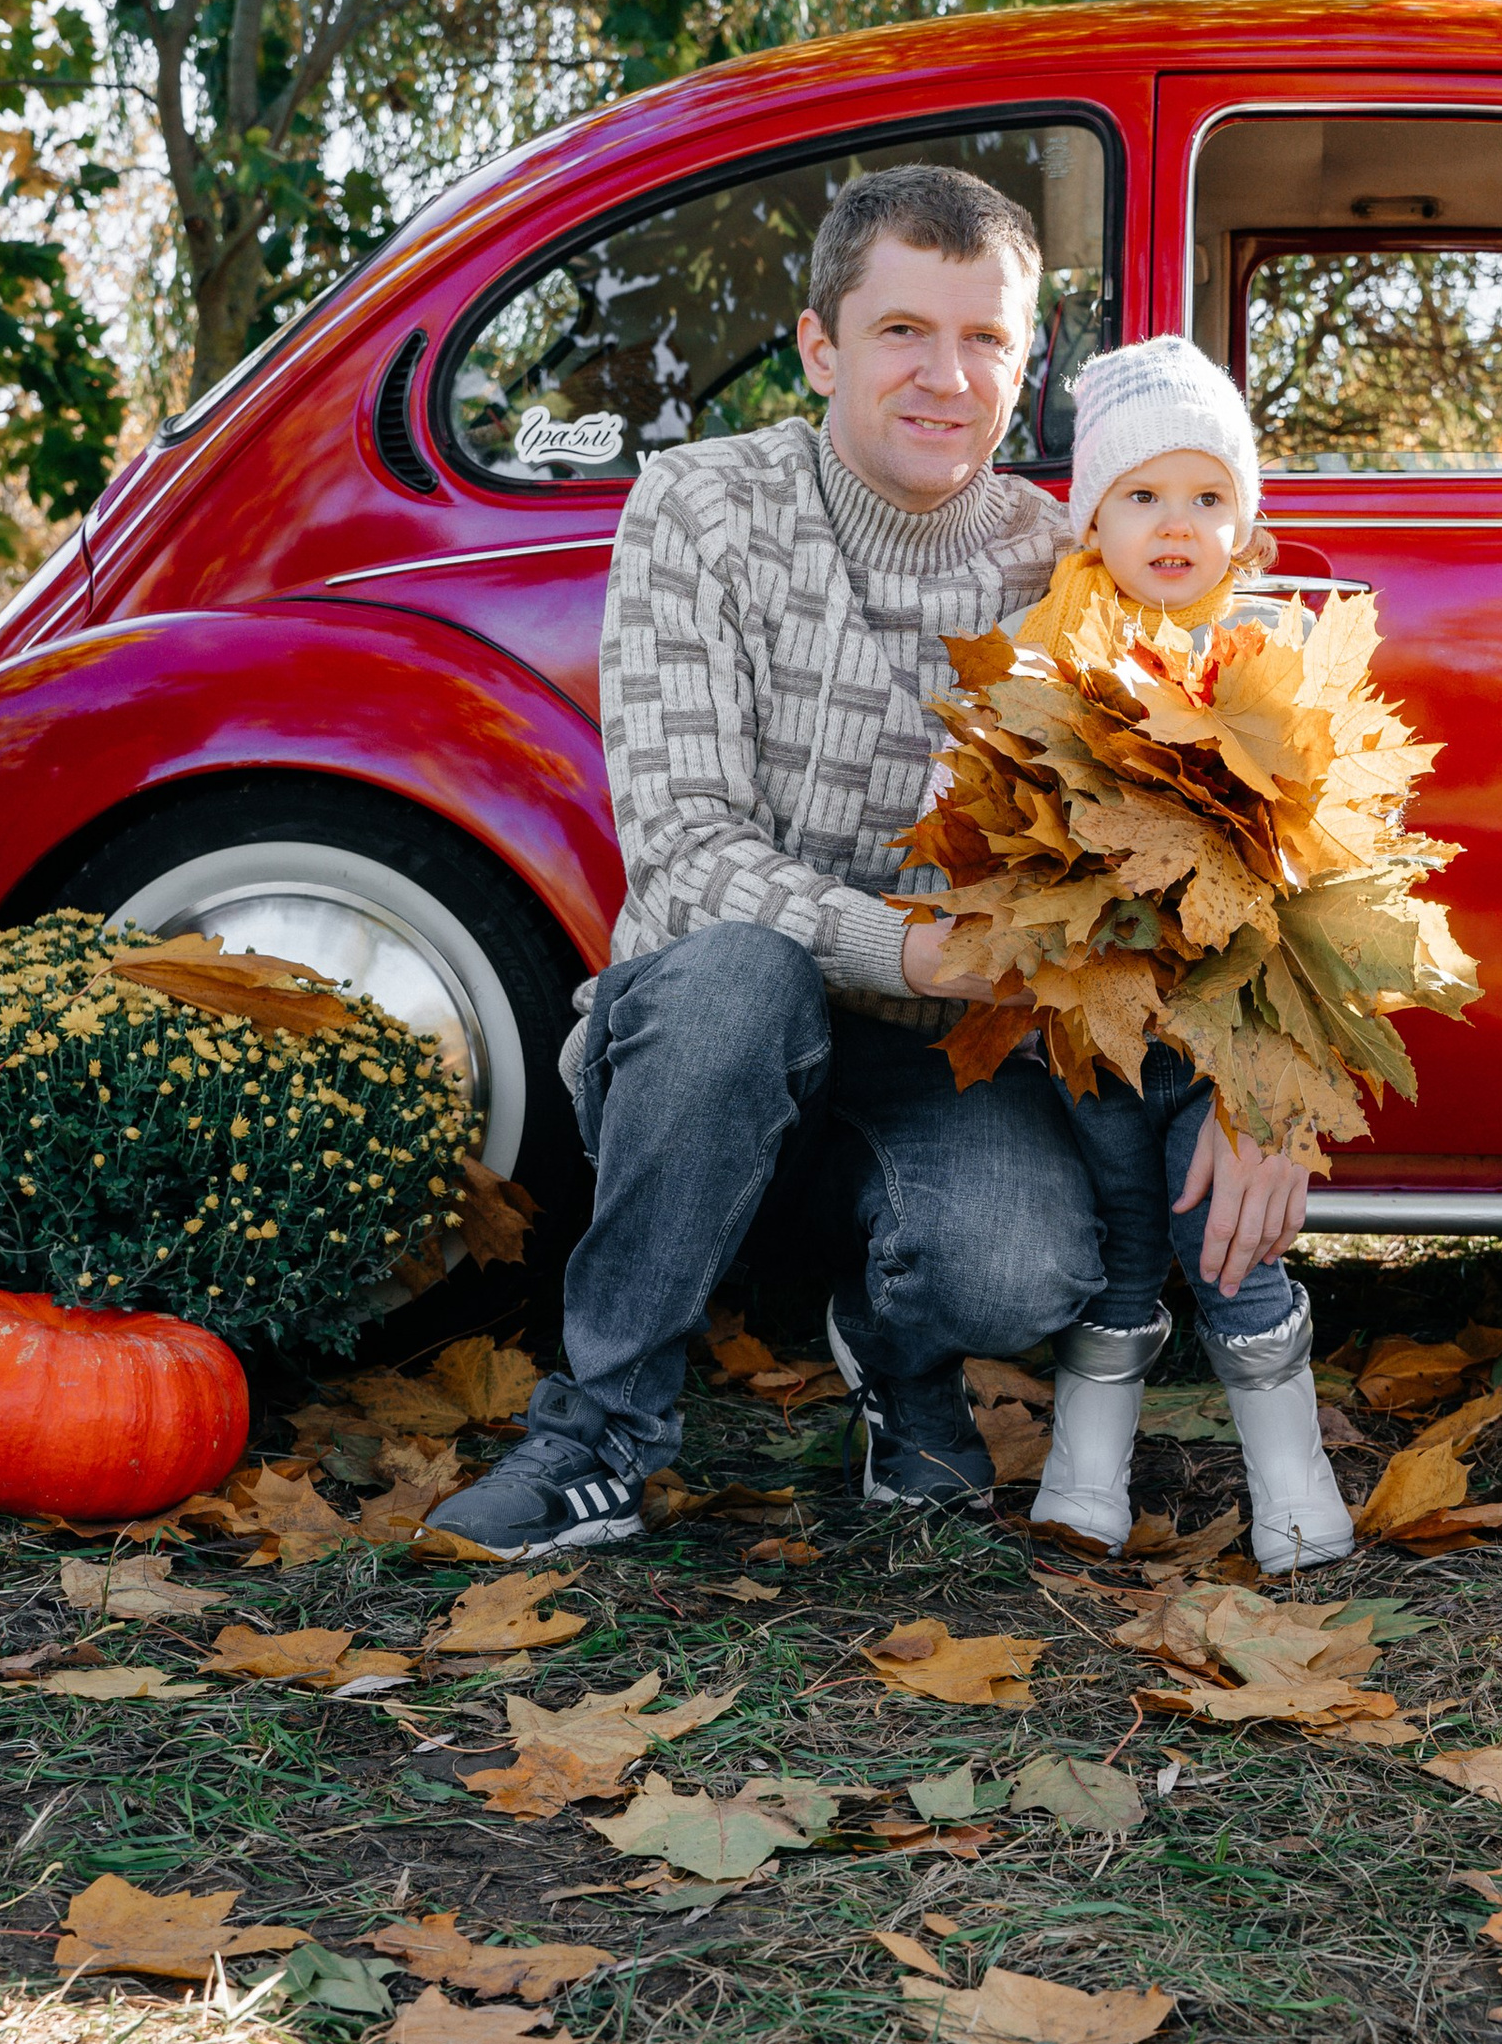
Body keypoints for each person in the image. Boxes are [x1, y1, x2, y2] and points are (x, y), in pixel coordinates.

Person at [427, 163, 1107, 1557]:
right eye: (903, 331)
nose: (947, 376)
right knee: (739, 979)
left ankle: (896, 1343)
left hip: (935, 1049)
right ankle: (596, 1438)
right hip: (711, 1026)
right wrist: (905, 941)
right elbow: (684, 852)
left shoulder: (1059, 565)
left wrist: (1256, 1108)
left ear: (1025, 360)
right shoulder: (700, 509)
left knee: (1029, 1266)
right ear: (819, 347)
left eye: (986, 339)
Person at [1019, 338, 1353, 1573]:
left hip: (1227, 1036)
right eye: (1142, 497)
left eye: (1208, 498)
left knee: (1229, 1246)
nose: (1177, 525)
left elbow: (1330, 873)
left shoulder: (1275, 660)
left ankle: (1294, 1480)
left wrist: (1273, 1072)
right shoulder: (1048, 656)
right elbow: (996, 830)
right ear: (1091, 520)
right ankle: (1084, 1474)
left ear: (1246, 526)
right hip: (1096, 1031)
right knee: (1118, 1239)